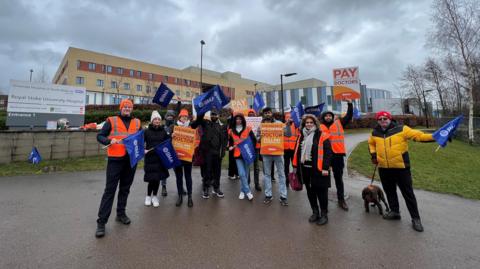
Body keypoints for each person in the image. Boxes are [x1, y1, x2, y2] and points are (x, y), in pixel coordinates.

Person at [368, 111, 435, 232]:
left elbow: (419, 136)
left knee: (408, 194)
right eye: (380, 119)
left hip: (401, 168)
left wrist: (434, 136)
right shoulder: (375, 132)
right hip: (384, 168)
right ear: (377, 121)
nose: (383, 120)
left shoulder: (401, 129)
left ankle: (416, 219)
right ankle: (394, 212)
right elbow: (371, 144)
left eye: (385, 118)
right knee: (390, 192)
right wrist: (373, 155)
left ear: (390, 119)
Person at [95, 99, 141, 238]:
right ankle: (101, 223)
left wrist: (142, 147)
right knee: (110, 191)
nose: (127, 109)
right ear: (121, 108)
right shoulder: (112, 120)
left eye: (129, 107)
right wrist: (109, 141)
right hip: (115, 160)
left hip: (130, 160)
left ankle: (120, 214)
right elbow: (100, 136)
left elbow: (140, 139)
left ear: (132, 109)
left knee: (125, 189)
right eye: (125, 107)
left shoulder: (137, 122)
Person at [293, 114, 333, 225]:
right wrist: (295, 166)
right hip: (305, 170)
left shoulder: (322, 135)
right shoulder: (301, 136)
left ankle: (324, 214)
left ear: (315, 124)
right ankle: (315, 212)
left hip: (319, 170)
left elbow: (328, 153)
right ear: (304, 124)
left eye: (311, 122)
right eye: (307, 123)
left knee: (322, 192)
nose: (309, 124)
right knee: (310, 192)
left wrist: (325, 167)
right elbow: (297, 152)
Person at [319, 100, 353, 211]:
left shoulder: (339, 123)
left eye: (330, 116)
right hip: (324, 157)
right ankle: (323, 202)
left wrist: (350, 104)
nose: (328, 117)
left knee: (338, 178)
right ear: (323, 117)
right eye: (326, 116)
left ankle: (341, 200)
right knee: (324, 179)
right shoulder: (319, 127)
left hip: (337, 155)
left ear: (332, 117)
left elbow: (348, 116)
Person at [191, 109, 227, 199]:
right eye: (212, 115)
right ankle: (206, 188)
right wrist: (203, 109)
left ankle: (216, 188)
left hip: (218, 153)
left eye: (216, 114)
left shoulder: (221, 126)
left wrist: (222, 152)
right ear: (210, 115)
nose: (214, 116)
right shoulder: (205, 123)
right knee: (207, 171)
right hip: (207, 152)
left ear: (218, 115)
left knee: (217, 172)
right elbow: (195, 123)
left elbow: (224, 140)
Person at [259, 107, 288, 206]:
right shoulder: (261, 125)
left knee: (281, 174)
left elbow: (288, 134)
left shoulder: (279, 124)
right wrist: (260, 137)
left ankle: (283, 196)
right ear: (264, 114)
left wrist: (287, 126)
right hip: (266, 153)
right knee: (267, 174)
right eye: (266, 113)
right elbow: (257, 137)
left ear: (272, 113)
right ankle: (268, 195)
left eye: (269, 112)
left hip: (278, 153)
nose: (267, 114)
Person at [143, 111, 170, 207]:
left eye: (159, 119)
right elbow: (140, 141)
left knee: (157, 179)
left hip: (160, 159)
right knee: (151, 179)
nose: (157, 121)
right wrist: (143, 149)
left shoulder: (163, 131)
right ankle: (148, 196)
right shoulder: (146, 131)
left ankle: (155, 196)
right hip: (150, 159)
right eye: (155, 119)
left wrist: (172, 136)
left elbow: (168, 141)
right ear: (152, 121)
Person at [228, 113, 257, 201]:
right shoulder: (231, 131)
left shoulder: (248, 129)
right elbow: (230, 142)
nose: (238, 120)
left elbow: (253, 140)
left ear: (242, 120)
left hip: (247, 154)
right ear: (235, 120)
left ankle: (242, 191)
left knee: (246, 174)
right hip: (237, 154)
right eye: (237, 119)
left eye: (240, 119)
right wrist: (230, 146)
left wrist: (250, 148)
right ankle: (248, 191)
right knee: (241, 173)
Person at [171, 109, 194, 207]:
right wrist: (171, 136)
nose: (184, 118)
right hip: (177, 156)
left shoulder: (191, 126)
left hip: (188, 156)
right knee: (179, 177)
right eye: (182, 117)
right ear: (179, 117)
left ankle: (190, 197)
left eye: (186, 117)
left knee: (188, 176)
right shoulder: (174, 127)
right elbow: (167, 139)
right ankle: (180, 196)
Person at [246, 109, 261, 191]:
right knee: (247, 166)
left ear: (255, 115)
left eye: (252, 113)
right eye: (250, 114)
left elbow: (260, 134)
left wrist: (258, 138)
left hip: (256, 147)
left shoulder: (259, 124)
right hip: (248, 147)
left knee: (256, 167)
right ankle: (247, 183)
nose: (251, 115)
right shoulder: (245, 124)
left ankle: (257, 184)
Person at [283, 111, 298, 187]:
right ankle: (287, 180)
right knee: (286, 165)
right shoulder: (283, 126)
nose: (288, 119)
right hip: (285, 149)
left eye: (290, 117)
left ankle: (296, 180)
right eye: (287, 117)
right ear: (285, 118)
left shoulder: (296, 126)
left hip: (294, 149)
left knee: (295, 165)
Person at [226, 108, 239, 180]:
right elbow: (229, 129)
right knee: (231, 158)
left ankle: (237, 173)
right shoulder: (230, 120)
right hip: (232, 141)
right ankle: (231, 174)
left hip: (237, 142)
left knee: (237, 158)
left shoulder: (238, 119)